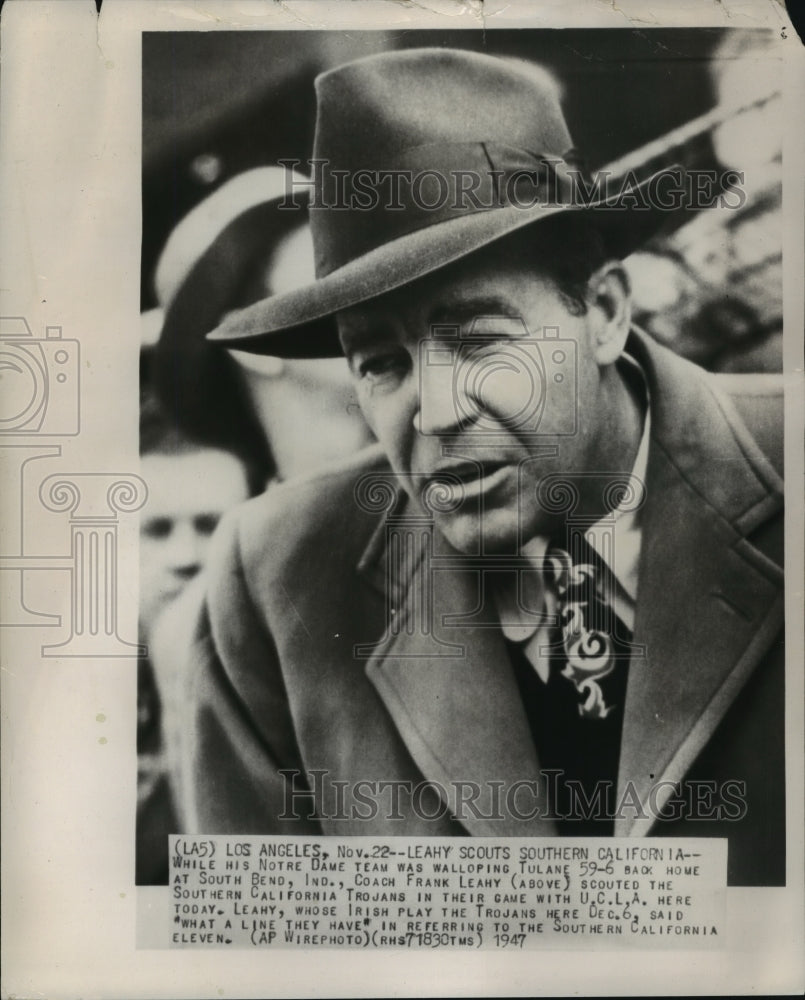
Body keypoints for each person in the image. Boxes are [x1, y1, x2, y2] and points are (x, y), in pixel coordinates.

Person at [177, 49, 784, 886]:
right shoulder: (276, 581)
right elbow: (255, 954)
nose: (434, 409)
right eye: (381, 363)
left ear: (602, 313)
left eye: (477, 339)